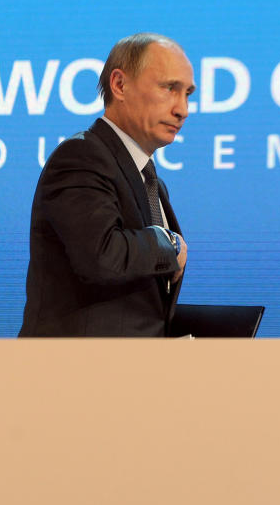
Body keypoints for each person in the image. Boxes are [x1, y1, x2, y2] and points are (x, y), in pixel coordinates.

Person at [19, 33, 195, 337]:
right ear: (120, 85)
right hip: (71, 372)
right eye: (169, 88)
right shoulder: (82, 156)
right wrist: (171, 245)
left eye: (188, 94)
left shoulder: (152, 183)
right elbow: (101, 257)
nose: (183, 109)